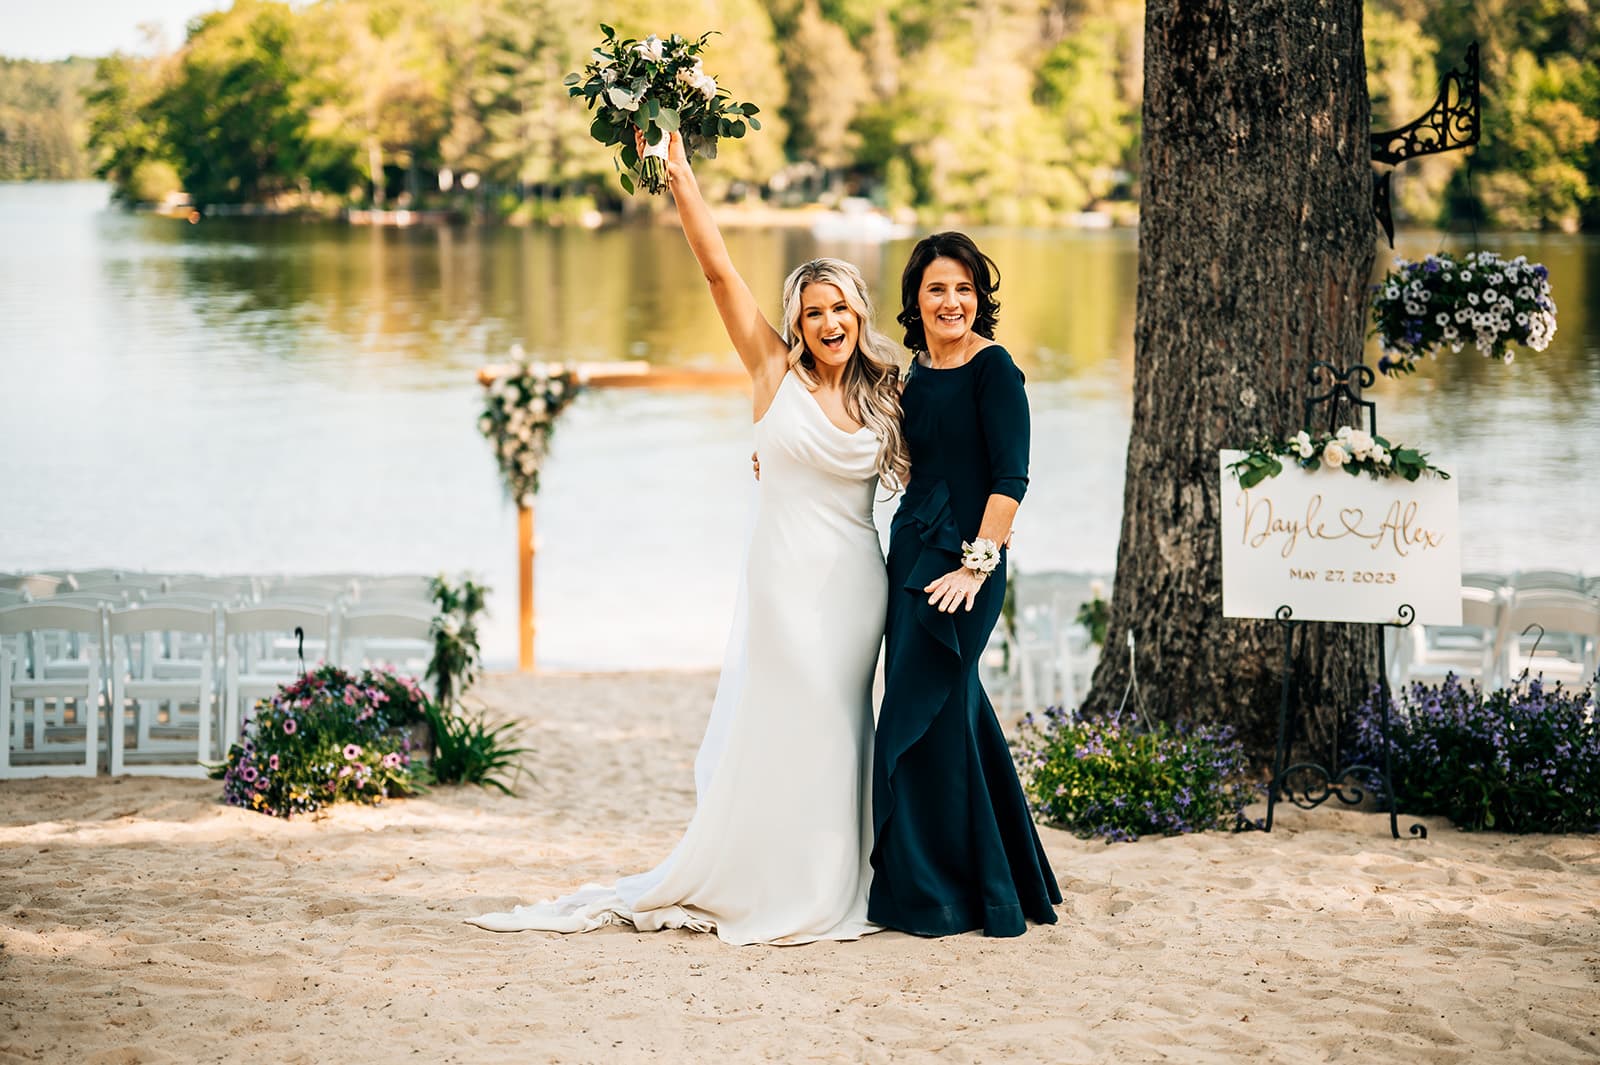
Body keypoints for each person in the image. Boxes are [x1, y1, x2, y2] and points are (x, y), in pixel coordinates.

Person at [467, 130, 908, 945]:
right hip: (784, 577)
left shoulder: (888, 395)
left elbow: (941, 467)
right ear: (798, 324)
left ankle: (835, 876)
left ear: (859, 312)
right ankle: (769, 877)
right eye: (813, 312)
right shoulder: (773, 374)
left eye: (840, 307)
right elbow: (718, 270)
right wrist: (680, 175)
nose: (828, 321)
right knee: (792, 716)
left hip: (856, 585)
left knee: (844, 724)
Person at [867, 232, 1062, 938]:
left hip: (967, 565)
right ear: (915, 302)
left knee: (925, 716)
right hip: (910, 554)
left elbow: (1011, 479)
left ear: (979, 297)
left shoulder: (995, 369)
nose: (952, 302)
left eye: (964, 289)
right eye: (937, 289)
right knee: (953, 714)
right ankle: (1005, 880)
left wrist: (975, 567)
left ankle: (946, 893)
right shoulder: (909, 373)